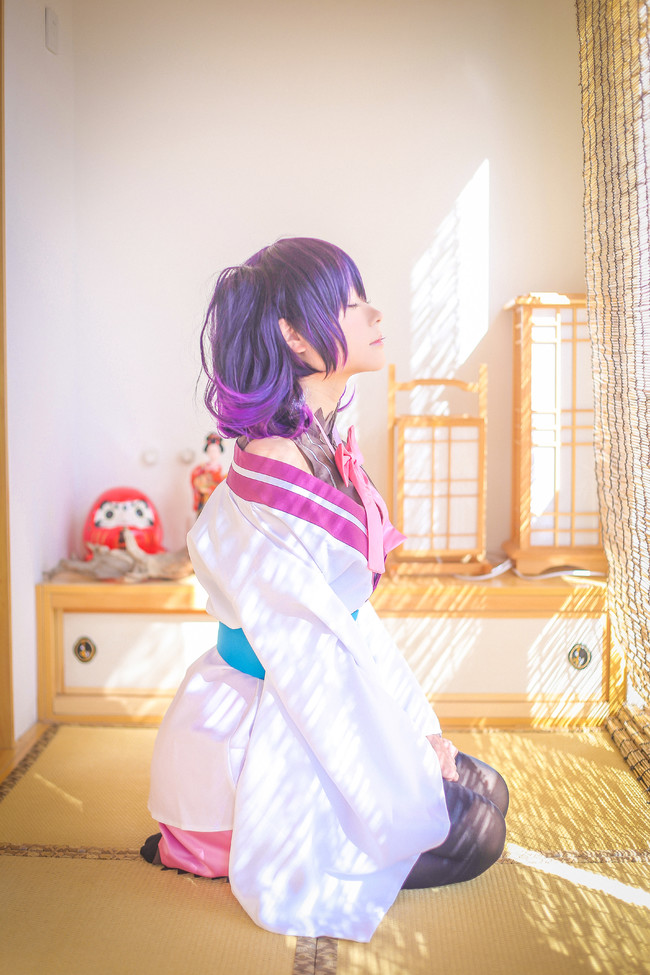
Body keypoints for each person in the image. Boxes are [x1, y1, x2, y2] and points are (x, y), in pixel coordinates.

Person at [142, 237, 508, 942]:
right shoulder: (276, 464)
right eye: (352, 302)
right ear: (296, 336)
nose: (374, 313)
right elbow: (312, 664)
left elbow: (353, 627)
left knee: (486, 788)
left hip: (307, 694)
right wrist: (408, 761)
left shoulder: (323, 438)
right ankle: (228, 844)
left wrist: (419, 734)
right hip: (263, 730)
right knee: (478, 830)